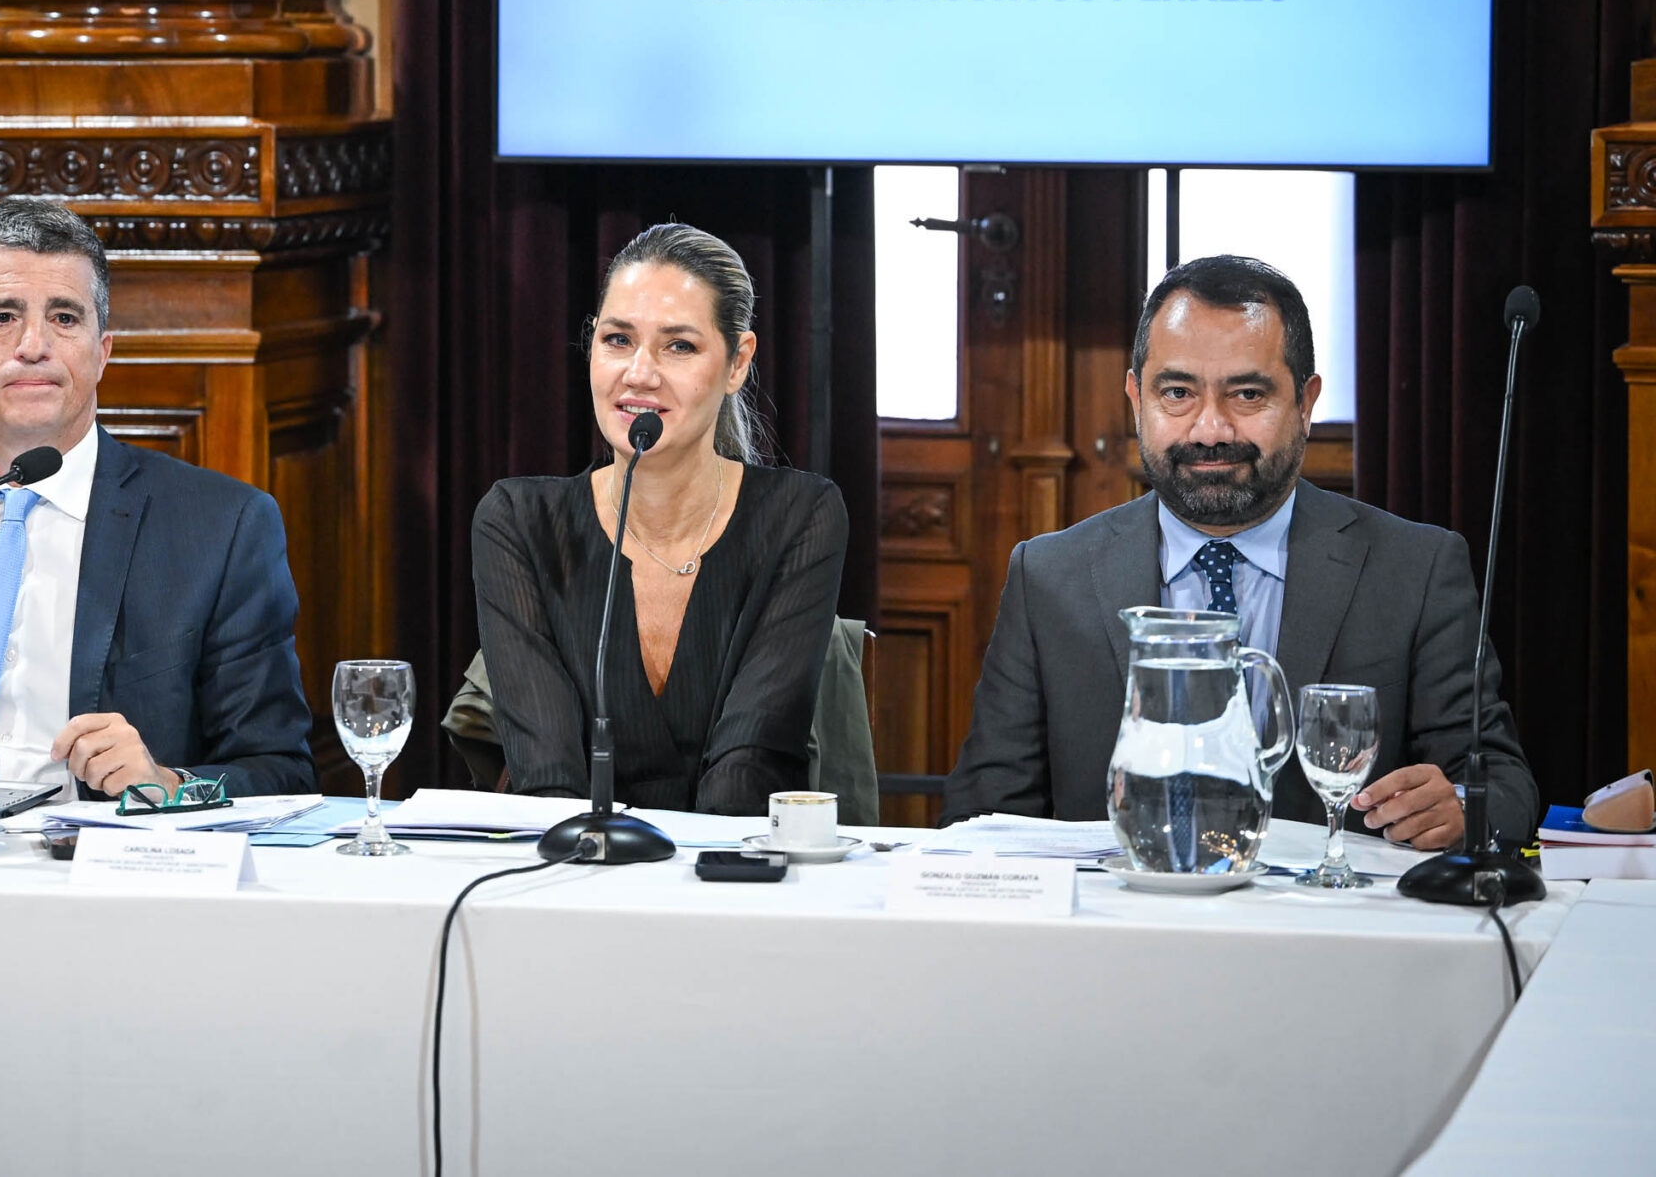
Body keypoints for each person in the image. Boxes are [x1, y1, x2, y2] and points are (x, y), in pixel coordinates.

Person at [946, 254, 1537, 848]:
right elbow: (984, 816)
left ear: (1305, 403)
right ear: (1136, 399)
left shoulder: (1416, 569)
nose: (1211, 430)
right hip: (1121, 903)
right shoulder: (1049, 577)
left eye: (1248, 394)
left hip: (1328, 904)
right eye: (1177, 392)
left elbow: (1504, 787)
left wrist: (1462, 808)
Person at [0, 197, 313, 799]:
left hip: (98, 853)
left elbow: (282, 772)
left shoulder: (220, 528)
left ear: (102, 351)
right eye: (2, 317)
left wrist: (168, 784)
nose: (33, 345)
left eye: (65, 318)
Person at [472, 223, 848, 817]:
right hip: (576, 862)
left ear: (737, 362)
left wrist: (684, 873)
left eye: (679, 347)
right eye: (618, 340)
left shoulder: (800, 516)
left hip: (728, 861)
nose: (640, 374)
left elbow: (750, 762)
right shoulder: (519, 522)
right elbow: (546, 776)